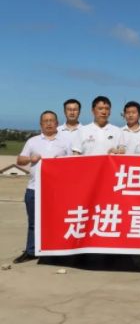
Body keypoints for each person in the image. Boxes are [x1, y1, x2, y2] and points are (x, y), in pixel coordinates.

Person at [13, 111, 71, 264]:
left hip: (56, 190)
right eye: (45, 121)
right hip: (34, 189)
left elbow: (72, 164)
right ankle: (31, 250)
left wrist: (62, 162)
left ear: (57, 123)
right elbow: (19, 160)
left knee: (57, 222)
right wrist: (30, 158)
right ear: (40, 124)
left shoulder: (65, 142)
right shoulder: (32, 141)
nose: (49, 123)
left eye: (52, 120)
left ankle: (56, 251)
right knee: (33, 222)